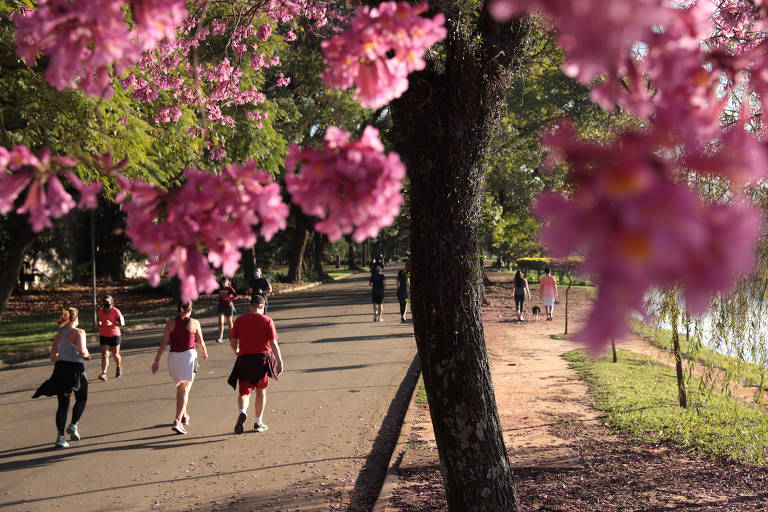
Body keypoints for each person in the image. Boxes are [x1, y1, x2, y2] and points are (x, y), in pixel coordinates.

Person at [33, 307, 90, 448]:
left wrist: (63, 355)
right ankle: (73, 424)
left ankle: (60, 437)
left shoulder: (59, 335)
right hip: (76, 370)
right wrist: (87, 356)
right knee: (81, 398)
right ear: (76, 318)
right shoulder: (80, 332)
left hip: (60, 370)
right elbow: (82, 351)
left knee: (63, 405)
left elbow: (53, 357)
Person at [227, 295, 284, 434]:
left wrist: (237, 351)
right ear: (262, 306)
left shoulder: (240, 320)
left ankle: (242, 411)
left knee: (244, 393)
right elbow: (273, 343)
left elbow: (233, 342)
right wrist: (280, 360)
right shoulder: (267, 320)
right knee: (261, 391)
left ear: (250, 305)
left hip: (244, 359)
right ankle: (258, 422)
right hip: (262, 359)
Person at [151, 302, 208, 435]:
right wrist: (204, 352)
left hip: (173, 358)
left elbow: (164, 343)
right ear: (191, 309)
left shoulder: (170, 323)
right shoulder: (194, 322)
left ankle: (184, 415)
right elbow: (200, 341)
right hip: (187, 357)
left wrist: (156, 360)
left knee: (181, 388)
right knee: (185, 389)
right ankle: (177, 421)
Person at [97, 295, 125, 380]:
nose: (106, 304)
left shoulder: (116, 311)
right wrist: (99, 324)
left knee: (115, 354)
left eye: (107, 303)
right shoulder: (100, 311)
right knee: (105, 355)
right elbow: (99, 320)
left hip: (115, 335)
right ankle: (103, 373)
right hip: (104, 335)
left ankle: (119, 367)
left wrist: (112, 324)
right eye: (104, 302)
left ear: (112, 303)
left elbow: (122, 324)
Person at [216, 277, 238, 343]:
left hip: (228, 306)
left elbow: (236, 296)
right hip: (221, 306)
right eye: (223, 281)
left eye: (225, 281)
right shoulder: (220, 288)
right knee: (220, 321)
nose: (224, 283)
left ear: (228, 282)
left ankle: (232, 335)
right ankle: (220, 337)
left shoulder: (230, 288)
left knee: (229, 321)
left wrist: (230, 299)